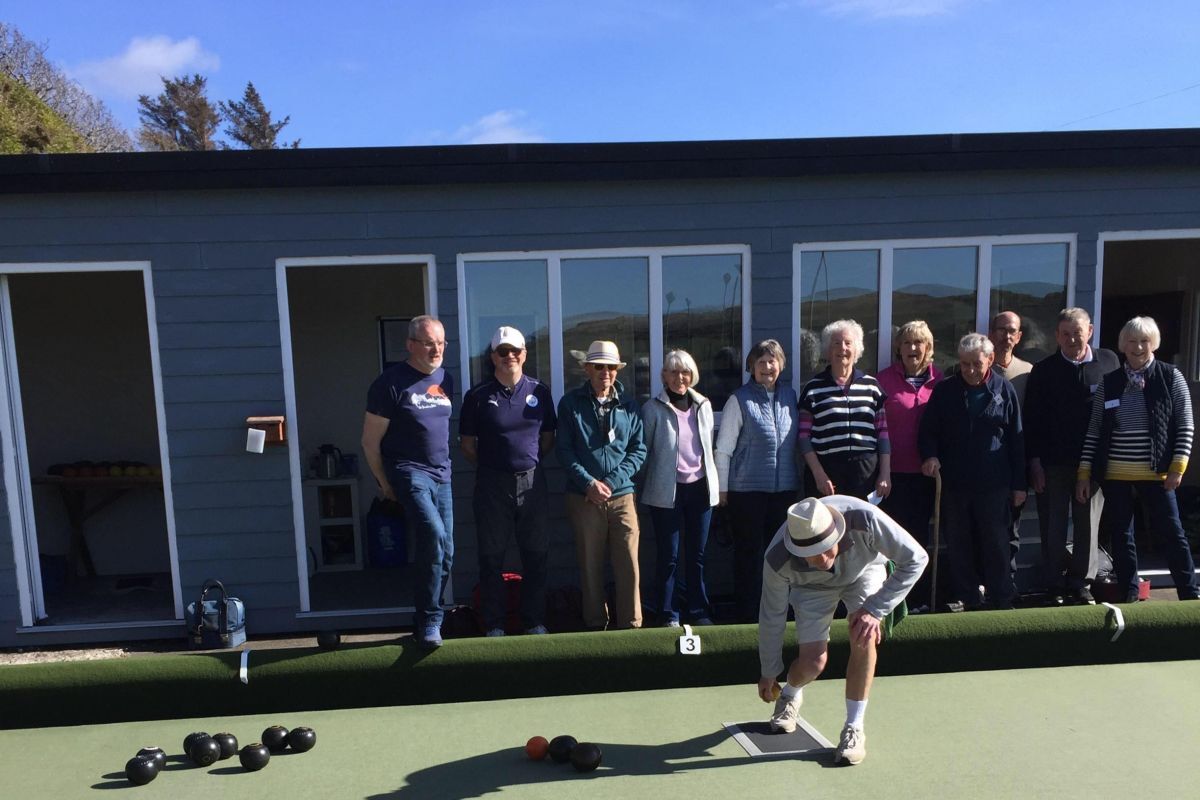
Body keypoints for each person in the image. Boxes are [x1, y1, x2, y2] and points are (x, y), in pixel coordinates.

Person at [759, 496, 927, 766]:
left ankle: (854, 728)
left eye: (826, 547)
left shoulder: (866, 519)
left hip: (864, 570)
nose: (823, 558)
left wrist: (875, 609)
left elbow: (917, 558)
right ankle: (790, 694)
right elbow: (772, 615)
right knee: (814, 663)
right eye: (811, 554)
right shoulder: (777, 559)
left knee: (865, 635)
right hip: (811, 587)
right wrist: (769, 670)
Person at [1076, 316, 1199, 602]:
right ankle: (1128, 594)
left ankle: (1189, 594)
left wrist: (1178, 466)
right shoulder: (1111, 382)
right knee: (1122, 537)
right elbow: (1094, 429)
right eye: (1131, 341)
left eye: (1144, 341)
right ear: (1123, 345)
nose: (1138, 347)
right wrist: (1084, 472)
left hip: (1158, 474)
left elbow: (1185, 424)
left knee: (1173, 534)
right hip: (1115, 475)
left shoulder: (1170, 376)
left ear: (1153, 343)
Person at [362, 315, 454, 649]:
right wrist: (384, 484)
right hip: (408, 471)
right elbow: (370, 443)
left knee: (447, 553)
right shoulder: (390, 383)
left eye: (441, 343)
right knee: (433, 534)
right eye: (429, 343)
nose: (436, 349)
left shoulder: (447, 380)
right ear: (411, 344)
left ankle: (424, 618)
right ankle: (431, 619)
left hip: (442, 475)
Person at [459, 326, 557, 637]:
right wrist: (497, 467)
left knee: (536, 555)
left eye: (515, 350)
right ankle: (494, 624)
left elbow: (548, 438)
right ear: (493, 357)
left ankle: (533, 621)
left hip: (532, 483)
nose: (509, 356)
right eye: (503, 352)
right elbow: (467, 445)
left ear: (525, 354)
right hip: (491, 484)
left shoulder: (540, 392)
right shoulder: (476, 396)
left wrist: (524, 463)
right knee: (491, 557)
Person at [919, 333, 1025, 610]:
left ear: (990, 359)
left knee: (997, 543)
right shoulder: (945, 391)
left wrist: (1019, 485)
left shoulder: (1004, 390)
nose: (970, 370)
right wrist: (930, 456)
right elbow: (929, 431)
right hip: (955, 484)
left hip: (994, 483)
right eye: (964, 364)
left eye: (976, 363)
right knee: (959, 544)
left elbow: (1016, 439)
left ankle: (1001, 597)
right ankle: (968, 598)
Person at [1024, 308, 1119, 605]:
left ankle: (1081, 583)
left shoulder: (1109, 363)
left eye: (1076, 333)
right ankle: (1054, 583)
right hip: (1052, 464)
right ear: (1056, 336)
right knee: (1052, 525)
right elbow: (1033, 420)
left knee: (1087, 526)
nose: (1071, 339)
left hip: (1093, 464)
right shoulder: (1044, 369)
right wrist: (1035, 463)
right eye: (1064, 334)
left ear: (1089, 331)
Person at [556, 340, 648, 630]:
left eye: (610, 367)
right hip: (584, 498)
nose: (605, 372)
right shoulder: (570, 404)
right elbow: (564, 450)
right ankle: (596, 627)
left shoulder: (629, 406)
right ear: (587, 369)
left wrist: (609, 481)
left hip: (622, 496)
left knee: (628, 566)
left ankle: (631, 627)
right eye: (599, 367)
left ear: (617, 371)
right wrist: (588, 483)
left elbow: (639, 450)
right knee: (590, 564)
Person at [714, 339, 799, 623]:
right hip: (746, 492)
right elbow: (723, 449)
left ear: (781, 365)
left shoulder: (790, 397)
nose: (767, 367)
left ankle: (779, 611)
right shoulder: (739, 399)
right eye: (761, 362)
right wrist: (722, 490)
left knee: (781, 555)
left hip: (783, 491)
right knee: (749, 556)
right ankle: (748, 614)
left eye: (772, 361)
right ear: (751, 366)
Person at [640, 350, 719, 627]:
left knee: (697, 556)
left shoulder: (704, 405)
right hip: (666, 492)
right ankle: (668, 612)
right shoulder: (652, 409)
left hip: (700, 489)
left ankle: (698, 610)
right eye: (673, 372)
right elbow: (645, 451)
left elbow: (709, 447)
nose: (679, 377)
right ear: (664, 376)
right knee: (669, 556)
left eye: (684, 372)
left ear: (692, 375)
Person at [877, 320, 942, 608]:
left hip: (926, 476)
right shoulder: (882, 381)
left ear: (928, 348)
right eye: (907, 343)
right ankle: (890, 601)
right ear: (898, 348)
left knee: (918, 539)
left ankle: (917, 600)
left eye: (919, 343)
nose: (913, 348)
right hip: (892, 476)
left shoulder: (940, 381)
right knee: (892, 541)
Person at [797, 320, 891, 502]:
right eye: (836, 343)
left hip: (865, 473)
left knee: (860, 529)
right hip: (826, 473)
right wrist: (818, 474)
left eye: (848, 343)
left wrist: (885, 473)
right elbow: (803, 437)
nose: (843, 348)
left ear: (857, 350)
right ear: (827, 350)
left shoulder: (872, 386)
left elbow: (883, 434)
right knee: (828, 529)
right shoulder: (813, 389)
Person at [989, 311, 1033, 590]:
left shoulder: (1029, 372)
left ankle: (1008, 583)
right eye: (1001, 329)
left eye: (1012, 331)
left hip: (1018, 463)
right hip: (987, 464)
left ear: (1018, 337)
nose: (1006, 336)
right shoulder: (979, 368)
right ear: (992, 333)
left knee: (1010, 530)